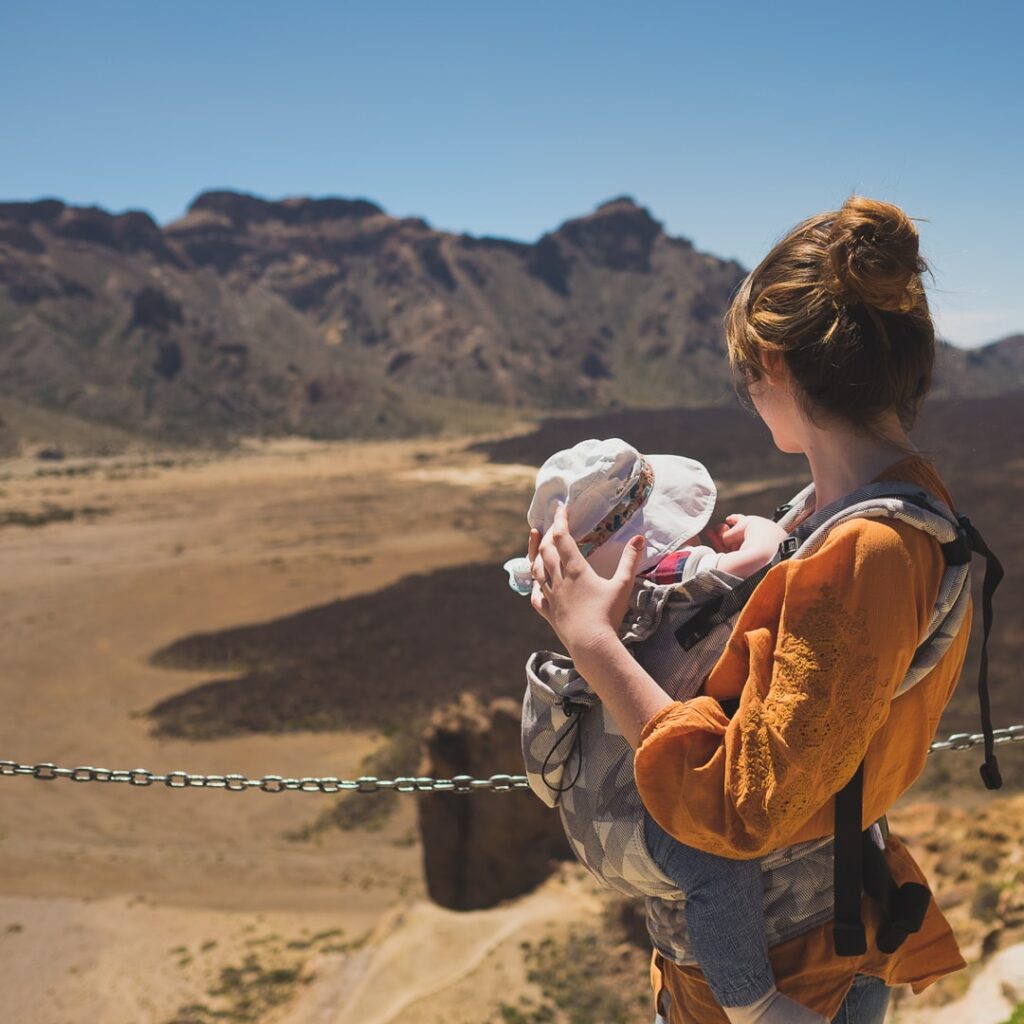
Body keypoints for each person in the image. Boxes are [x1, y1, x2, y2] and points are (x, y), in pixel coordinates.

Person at [525, 195, 973, 1023]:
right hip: (778, 944)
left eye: (745, 379)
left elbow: (742, 806)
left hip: (797, 974)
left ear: (772, 362)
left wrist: (593, 642)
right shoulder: (849, 513)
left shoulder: (868, 550)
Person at [510, 437, 826, 1023]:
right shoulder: (681, 578)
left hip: (593, 822)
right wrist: (765, 534)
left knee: (701, 874)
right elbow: (754, 565)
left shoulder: (590, 610)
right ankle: (751, 1002)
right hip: (647, 821)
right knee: (716, 866)